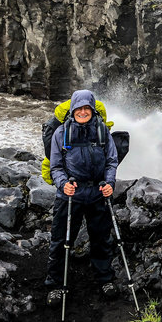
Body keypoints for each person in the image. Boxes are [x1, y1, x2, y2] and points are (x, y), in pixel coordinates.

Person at [45, 89, 119, 304]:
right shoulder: (61, 133)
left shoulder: (102, 131)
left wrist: (110, 183)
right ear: (73, 109)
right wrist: (63, 184)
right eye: (80, 108)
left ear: (92, 109)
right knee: (61, 240)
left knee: (101, 239)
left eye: (87, 108)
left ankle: (105, 278)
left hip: (98, 193)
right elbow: (56, 166)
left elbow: (111, 161)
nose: (83, 111)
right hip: (70, 195)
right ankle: (56, 285)